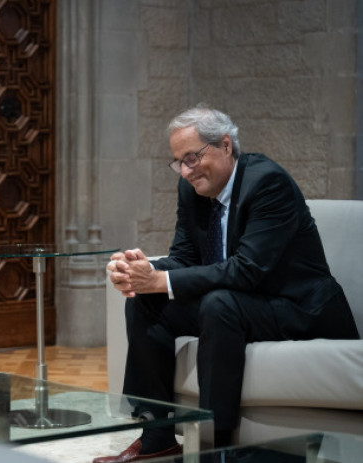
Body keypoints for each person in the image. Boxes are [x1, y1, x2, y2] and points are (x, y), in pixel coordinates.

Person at [93, 105, 359, 463]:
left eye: (192, 157)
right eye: (178, 162)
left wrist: (162, 278)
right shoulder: (192, 190)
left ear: (225, 146)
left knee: (219, 303)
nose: (186, 171)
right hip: (242, 305)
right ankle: (156, 438)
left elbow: (247, 270)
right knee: (145, 299)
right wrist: (140, 272)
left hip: (300, 308)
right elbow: (185, 258)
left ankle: (217, 449)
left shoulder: (268, 183)